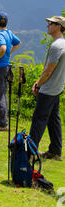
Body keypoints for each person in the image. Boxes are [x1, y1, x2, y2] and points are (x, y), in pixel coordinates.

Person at [29, 16, 65, 161]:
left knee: (39, 120)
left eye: (50, 23)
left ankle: (30, 153)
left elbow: (48, 71)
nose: (47, 26)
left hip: (49, 89)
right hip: (57, 88)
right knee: (53, 119)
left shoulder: (56, 46)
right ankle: (55, 151)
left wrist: (38, 84)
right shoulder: (63, 44)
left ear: (58, 26)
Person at [0, 12, 21, 131]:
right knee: (2, 94)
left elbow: (2, 47)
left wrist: (0, 55)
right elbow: (18, 43)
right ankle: (3, 121)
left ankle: (2, 124)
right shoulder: (9, 33)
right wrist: (9, 53)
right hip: (7, 67)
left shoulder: (0, 35)